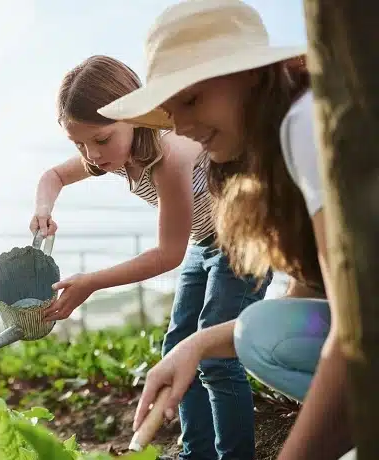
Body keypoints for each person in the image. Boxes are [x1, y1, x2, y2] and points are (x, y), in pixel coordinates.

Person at [98, 0, 353, 459]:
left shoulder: (307, 124)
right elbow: (313, 301)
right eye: (173, 110)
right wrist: (193, 346)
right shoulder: (269, 158)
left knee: (265, 333)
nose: (185, 126)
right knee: (264, 329)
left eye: (193, 99)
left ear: (253, 74)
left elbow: (357, 328)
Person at [31, 54, 271, 460]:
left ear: (137, 114)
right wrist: (43, 209)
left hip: (244, 239)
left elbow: (167, 254)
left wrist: (91, 281)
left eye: (101, 140)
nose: (91, 154)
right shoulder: (108, 154)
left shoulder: (168, 156)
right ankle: (196, 454)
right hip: (204, 243)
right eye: (79, 144)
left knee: (213, 354)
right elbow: (52, 177)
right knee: (178, 346)